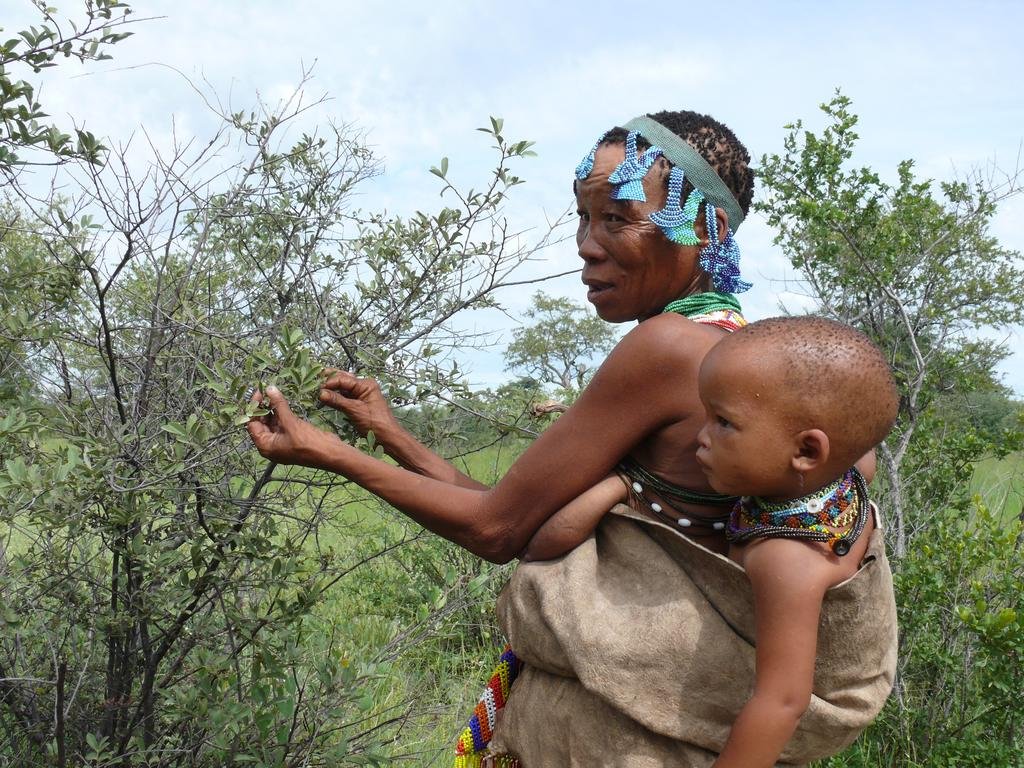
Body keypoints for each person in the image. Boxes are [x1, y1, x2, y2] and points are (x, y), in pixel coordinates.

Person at [247, 111, 898, 766]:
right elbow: (517, 512)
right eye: (583, 218)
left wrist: (329, 453)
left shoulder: (669, 349)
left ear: (704, 230)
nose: (587, 244)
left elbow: (494, 531)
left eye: (617, 218)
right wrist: (390, 435)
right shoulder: (752, 369)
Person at [518, 315, 898, 767]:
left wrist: (623, 484)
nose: (700, 437)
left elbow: (782, 701)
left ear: (807, 451)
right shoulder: (846, 471)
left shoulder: (785, 560)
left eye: (723, 422)